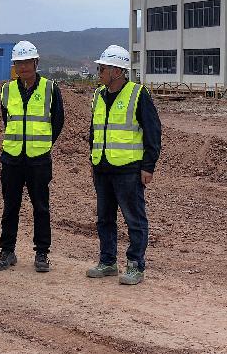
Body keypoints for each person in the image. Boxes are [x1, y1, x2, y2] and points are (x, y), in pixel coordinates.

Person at [86, 45, 161, 285]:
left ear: (117, 71)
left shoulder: (138, 94)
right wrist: (93, 160)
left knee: (134, 219)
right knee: (104, 218)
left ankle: (135, 265)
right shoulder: (98, 95)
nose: (99, 72)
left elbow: (153, 131)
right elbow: (95, 131)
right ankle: (108, 261)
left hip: (128, 169)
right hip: (102, 167)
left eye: (103, 68)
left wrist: (148, 166)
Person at [0, 40, 64, 273]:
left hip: (39, 159)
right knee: (10, 206)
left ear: (36, 62)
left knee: (41, 207)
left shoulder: (50, 89)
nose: (23, 67)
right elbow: (7, 119)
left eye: (27, 62)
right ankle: (7, 250)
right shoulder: (7, 90)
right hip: (12, 158)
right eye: (18, 63)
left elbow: (58, 121)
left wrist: (43, 144)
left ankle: (42, 252)